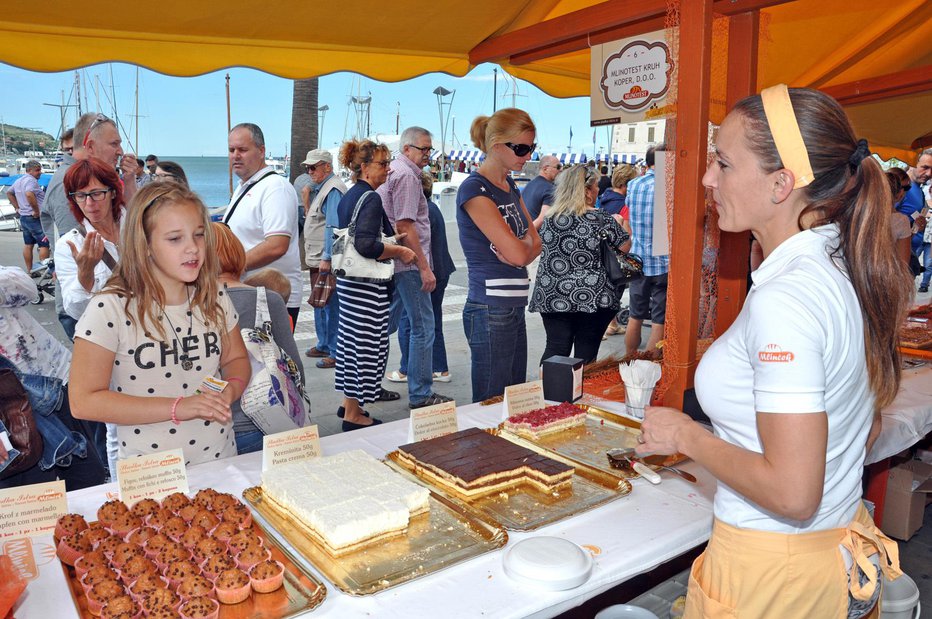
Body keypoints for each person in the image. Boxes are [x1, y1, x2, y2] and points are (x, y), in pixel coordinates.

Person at [638, 85, 907, 618]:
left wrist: (684, 434)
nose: (708, 179)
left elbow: (792, 493)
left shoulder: (788, 298)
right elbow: (864, 424)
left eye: (723, 163)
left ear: (782, 183)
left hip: (777, 574)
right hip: (827, 552)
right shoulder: (840, 261)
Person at [69, 183, 250, 466]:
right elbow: (83, 401)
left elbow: (236, 358)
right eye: (175, 239)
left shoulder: (214, 296)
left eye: (199, 235)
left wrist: (232, 389)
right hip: (151, 472)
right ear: (145, 244)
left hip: (221, 460)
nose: (193, 248)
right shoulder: (110, 309)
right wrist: (179, 407)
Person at [456, 108, 542, 403]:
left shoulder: (509, 186)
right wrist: (523, 247)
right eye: (520, 148)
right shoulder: (475, 189)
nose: (527, 155)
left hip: (512, 304)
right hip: (491, 307)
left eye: (531, 148)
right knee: (490, 403)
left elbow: (535, 243)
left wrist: (523, 247)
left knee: (512, 399)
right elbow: (521, 253)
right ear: (496, 146)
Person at [334, 139, 416, 431]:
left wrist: (391, 241)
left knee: (350, 344)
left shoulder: (351, 195)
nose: (388, 169)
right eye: (383, 164)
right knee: (366, 346)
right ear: (365, 167)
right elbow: (367, 244)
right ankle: (354, 413)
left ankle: (349, 403)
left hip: (350, 283)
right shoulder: (371, 198)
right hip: (367, 286)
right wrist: (400, 251)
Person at [0, 266, 106, 491]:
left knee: (88, 476)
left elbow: (27, 288)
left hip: (52, 383)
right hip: (7, 411)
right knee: (34, 497)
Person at [214, 223, 304, 454]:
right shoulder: (268, 300)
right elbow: (294, 368)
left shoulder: (188, 306)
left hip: (209, 429)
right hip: (264, 421)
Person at [378, 126, 451, 409]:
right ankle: (421, 394)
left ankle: (368, 385)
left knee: (387, 324)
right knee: (424, 327)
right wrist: (424, 267)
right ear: (406, 149)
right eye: (424, 149)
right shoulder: (408, 176)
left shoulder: (394, 171)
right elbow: (406, 225)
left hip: (396, 261)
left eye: (430, 149)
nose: (428, 155)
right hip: (408, 263)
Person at [529, 165, 630, 365]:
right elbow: (624, 247)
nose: (598, 190)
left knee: (556, 347)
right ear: (586, 191)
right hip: (592, 296)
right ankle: (581, 393)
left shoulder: (550, 218)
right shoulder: (600, 218)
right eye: (595, 186)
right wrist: (619, 224)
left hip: (552, 294)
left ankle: (548, 391)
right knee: (586, 352)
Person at [224, 123, 302, 327]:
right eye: (231, 150)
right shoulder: (246, 186)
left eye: (242, 149)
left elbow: (277, 245)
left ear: (261, 151)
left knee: (269, 359)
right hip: (250, 294)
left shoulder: (275, 188)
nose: (235, 155)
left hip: (272, 298)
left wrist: (229, 267)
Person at [392, 172, 457, 384]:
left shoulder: (421, 212)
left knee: (410, 322)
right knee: (431, 321)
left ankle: (407, 368)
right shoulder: (432, 208)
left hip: (428, 271)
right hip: (441, 269)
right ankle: (439, 368)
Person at [42, 114, 97, 340]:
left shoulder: (76, 176)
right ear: (90, 145)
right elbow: (71, 243)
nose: (121, 151)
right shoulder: (69, 179)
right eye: (114, 143)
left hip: (86, 299)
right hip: (80, 304)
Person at [55, 158, 125, 323]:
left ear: (113, 192)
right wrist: (85, 273)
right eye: (80, 195)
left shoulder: (139, 227)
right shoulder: (69, 245)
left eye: (96, 193)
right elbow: (75, 311)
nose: (89, 203)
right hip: (112, 336)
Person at [300, 150, 347, 369]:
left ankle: (335, 351)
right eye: (308, 168)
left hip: (324, 258)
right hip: (318, 257)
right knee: (321, 301)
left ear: (327, 167)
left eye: (313, 167)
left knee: (330, 304)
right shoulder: (325, 188)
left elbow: (333, 226)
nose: (310, 172)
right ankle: (325, 343)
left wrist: (328, 257)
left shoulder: (333, 189)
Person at [625, 144, 668, 358]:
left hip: (638, 259)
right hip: (664, 262)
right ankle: (650, 364)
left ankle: (629, 358)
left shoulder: (633, 184)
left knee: (635, 315)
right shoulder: (670, 187)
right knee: (659, 319)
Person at [601, 164, 639, 338]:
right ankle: (605, 325)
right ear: (626, 184)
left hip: (602, 252)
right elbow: (627, 233)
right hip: (616, 257)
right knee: (614, 293)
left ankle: (612, 324)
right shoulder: (623, 204)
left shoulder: (604, 198)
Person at [82, 112, 141, 204]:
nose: (121, 152)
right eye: (114, 144)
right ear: (90, 147)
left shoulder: (114, 181)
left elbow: (134, 214)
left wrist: (129, 180)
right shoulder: (75, 184)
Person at [6, 160, 49, 273]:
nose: (40, 172)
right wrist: (36, 210)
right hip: (34, 217)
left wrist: (17, 207)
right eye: (37, 170)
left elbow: (9, 193)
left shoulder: (18, 181)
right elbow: (29, 194)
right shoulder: (31, 181)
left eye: (40, 169)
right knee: (44, 244)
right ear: (29, 170)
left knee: (28, 244)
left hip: (24, 217)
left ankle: (30, 270)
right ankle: (46, 271)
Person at [886, 168, 914, 271]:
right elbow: (903, 264)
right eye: (906, 188)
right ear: (900, 191)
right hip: (885, 276)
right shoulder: (901, 220)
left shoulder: (858, 212)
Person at [522, 155, 561, 230]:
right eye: (558, 167)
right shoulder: (550, 189)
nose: (560, 170)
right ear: (545, 169)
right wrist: (527, 235)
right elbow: (542, 219)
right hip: (535, 235)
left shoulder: (529, 184)